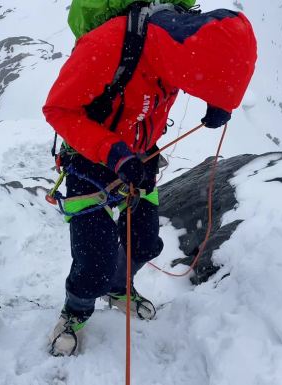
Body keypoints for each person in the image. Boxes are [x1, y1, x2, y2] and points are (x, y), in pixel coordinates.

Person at [42, 1, 257, 356]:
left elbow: (185, 72)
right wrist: (113, 152)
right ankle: (75, 311)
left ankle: (117, 289)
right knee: (94, 262)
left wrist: (217, 99)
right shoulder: (107, 45)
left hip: (141, 159)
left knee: (143, 245)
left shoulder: (177, 43)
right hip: (89, 160)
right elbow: (58, 109)